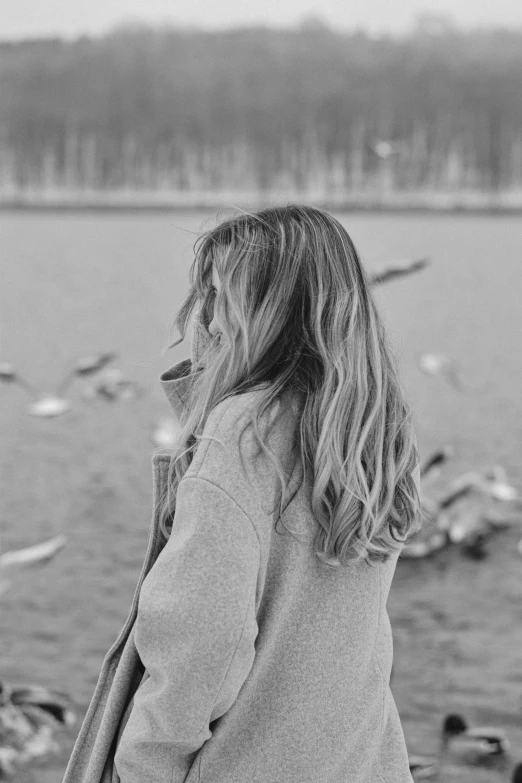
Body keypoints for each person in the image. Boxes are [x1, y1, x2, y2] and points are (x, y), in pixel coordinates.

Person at [62, 204, 423, 783]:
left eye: (217, 297)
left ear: (265, 311)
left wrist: (142, 768)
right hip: (356, 759)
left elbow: (204, 644)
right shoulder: (373, 430)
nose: (201, 318)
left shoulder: (244, 436)